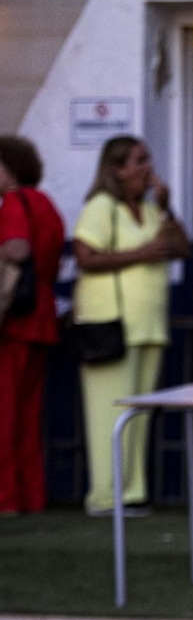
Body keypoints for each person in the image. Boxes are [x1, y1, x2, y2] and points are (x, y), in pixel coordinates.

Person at [72, 135, 190, 516]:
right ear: (116, 169)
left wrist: (168, 208)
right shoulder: (101, 206)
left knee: (138, 412)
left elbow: (183, 249)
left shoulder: (152, 210)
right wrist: (141, 253)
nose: (147, 168)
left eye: (147, 158)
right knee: (110, 410)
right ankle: (105, 496)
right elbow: (85, 257)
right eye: (138, 161)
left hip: (149, 325)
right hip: (111, 322)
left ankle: (132, 492)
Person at [0, 136, 66, 516]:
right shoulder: (45, 204)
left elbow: (18, 248)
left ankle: (7, 497)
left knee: (6, 415)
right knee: (28, 416)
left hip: (14, 319)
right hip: (41, 314)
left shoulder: (12, 202)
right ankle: (31, 494)